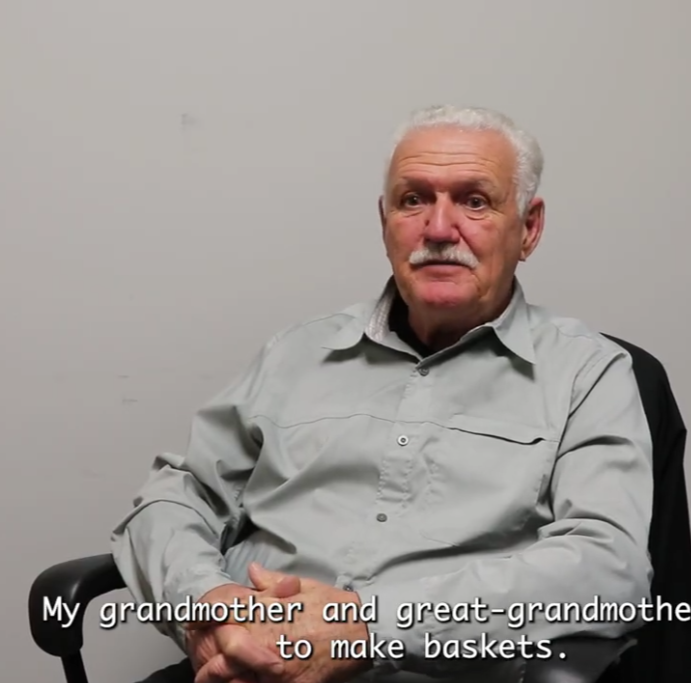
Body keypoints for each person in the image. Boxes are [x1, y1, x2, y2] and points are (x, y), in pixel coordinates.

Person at [111, 105, 654, 683]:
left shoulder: (586, 374)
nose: (439, 229)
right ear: (384, 220)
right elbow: (178, 495)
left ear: (530, 227)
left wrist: (369, 628)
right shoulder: (295, 353)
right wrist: (209, 604)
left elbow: (606, 568)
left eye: (474, 201)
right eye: (413, 199)